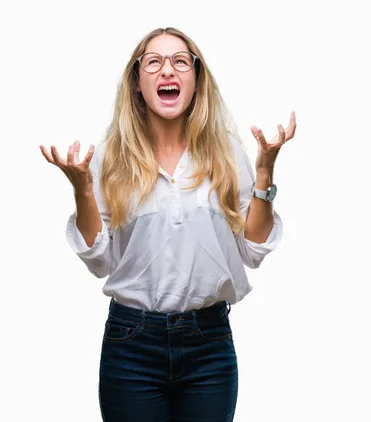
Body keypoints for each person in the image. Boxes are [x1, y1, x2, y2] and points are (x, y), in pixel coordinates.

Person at [39, 27, 296, 422]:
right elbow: (100, 262)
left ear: (196, 79)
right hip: (131, 345)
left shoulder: (226, 152)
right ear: (137, 83)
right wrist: (82, 192)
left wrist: (264, 172)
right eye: (154, 62)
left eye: (180, 61)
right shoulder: (111, 157)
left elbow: (253, 249)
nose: (167, 70)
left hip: (208, 344)